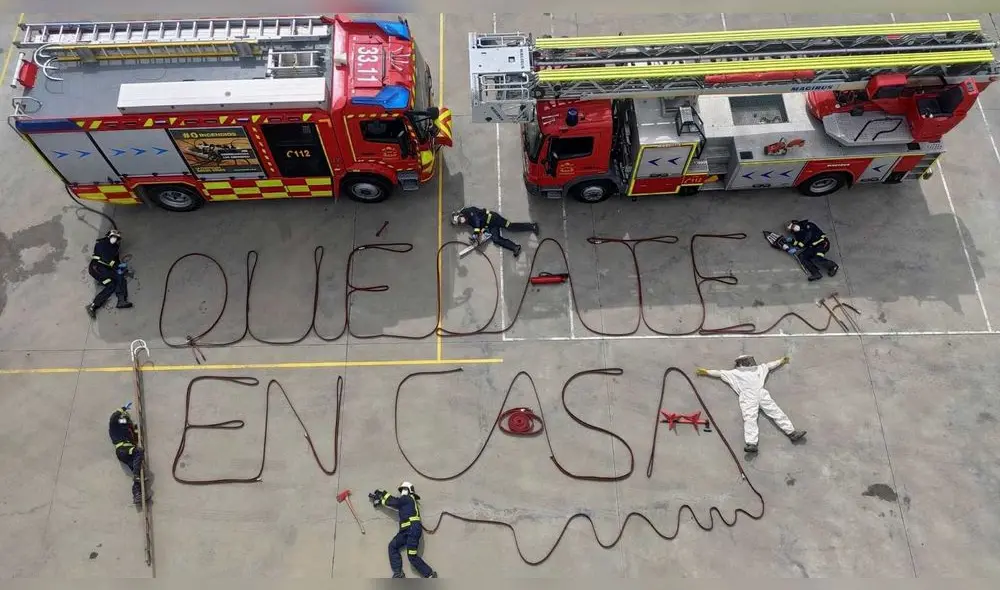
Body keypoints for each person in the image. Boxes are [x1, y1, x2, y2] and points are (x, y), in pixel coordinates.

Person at [696, 355, 807, 454]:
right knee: (750, 419)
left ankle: (792, 433)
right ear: (742, 363)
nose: (750, 362)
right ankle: (751, 444)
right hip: (747, 397)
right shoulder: (735, 373)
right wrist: (706, 372)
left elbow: (769, 365)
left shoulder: (759, 369)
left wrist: (781, 361)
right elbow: (719, 373)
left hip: (761, 393)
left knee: (776, 412)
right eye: (747, 361)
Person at [369, 481, 438, 578]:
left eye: (404, 489)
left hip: (412, 530)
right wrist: (381, 497)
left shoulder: (407, 499)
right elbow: (395, 502)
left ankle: (430, 574)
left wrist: (382, 496)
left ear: (409, 491)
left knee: (412, 557)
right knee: (392, 546)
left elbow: (394, 502)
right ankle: (398, 573)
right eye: (402, 490)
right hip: (405, 531)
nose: (402, 492)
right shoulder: (406, 501)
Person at [451, 206, 539, 257]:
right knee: (496, 239)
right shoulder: (467, 222)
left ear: (459, 214)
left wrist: (475, 235)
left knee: (510, 226)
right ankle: (515, 247)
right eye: (459, 223)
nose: (461, 222)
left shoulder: (469, 211)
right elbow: (479, 226)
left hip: (494, 218)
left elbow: (477, 221)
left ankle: (532, 226)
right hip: (490, 225)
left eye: (459, 219)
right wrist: (481, 235)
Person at [86, 229, 132, 318]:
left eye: (117, 238)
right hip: (97, 268)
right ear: (109, 236)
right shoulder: (101, 244)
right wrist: (117, 268)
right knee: (119, 277)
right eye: (113, 237)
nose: (115, 239)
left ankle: (93, 306)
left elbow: (115, 261)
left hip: (104, 270)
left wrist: (121, 267)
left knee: (111, 285)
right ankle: (121, 300)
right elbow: (105, 259)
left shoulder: (115, 248)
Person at [108, 402, 149, 505]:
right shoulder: (115, 426)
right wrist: (123, 409)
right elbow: (114, 418)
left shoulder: (127, 430)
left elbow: (134, 436)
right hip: (123, 449)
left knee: (138, 470)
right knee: (139, 451)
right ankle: (136, 476)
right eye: (124, 419)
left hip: (128, 452)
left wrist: (136, 428)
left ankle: (137, 495)